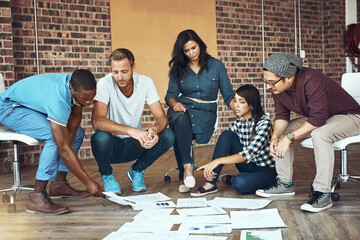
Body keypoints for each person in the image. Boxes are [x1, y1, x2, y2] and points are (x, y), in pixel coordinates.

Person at [255, 52, 360, 213]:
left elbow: (317, 120)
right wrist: (276, 137)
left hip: (351, 117)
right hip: (323, 117)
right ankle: (285, 184)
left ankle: (323, 193)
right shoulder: (278, 89)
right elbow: (282, 117)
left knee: (320, 135)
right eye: (266, 81)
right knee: (281, 133)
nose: (268, 86)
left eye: (271, 82)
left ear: (289, 77)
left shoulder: (312, 80)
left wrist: (289, 138)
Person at [0, 69, 104, 215]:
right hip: (8, 107)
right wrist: (88, 182)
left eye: (91, 98)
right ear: (71, 89)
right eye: (84, 98)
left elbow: (74, 119)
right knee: (53, 136)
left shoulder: (77, 87)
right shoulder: (58, 98)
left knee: (78, 133)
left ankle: (59, 185)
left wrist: (67, 143)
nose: (88, 103)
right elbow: (62, 147)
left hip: (27, 107)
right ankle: (36, 196)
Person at [91, 48, 175, 194]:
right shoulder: (104, 84)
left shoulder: (145, 82)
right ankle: (107, 175)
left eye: (124, 71)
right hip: (113, 146)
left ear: (133, 67)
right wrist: (131, 130)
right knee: (100, 138)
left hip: (135, 144)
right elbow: (97, 121)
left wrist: (153, 130)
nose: (120, 77)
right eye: (115, 72)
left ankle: (137, 171)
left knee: (168, 135)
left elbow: (161, 117)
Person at [165, 29, 235, 193]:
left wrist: (239, 109)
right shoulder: (178, 69)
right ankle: (187, 170)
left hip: (205, 113)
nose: (191, 53)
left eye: (193, 48)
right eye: (186, 50)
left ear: (200, 45)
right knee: (180, 119)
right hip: (183, 108)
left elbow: (228, 94)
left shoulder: (216, 65)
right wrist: (174, 103)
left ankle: (184, 175)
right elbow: (170, 95)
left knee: (180, 126)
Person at [191, 85, 276, 197]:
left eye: (241, 102)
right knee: (227, 135)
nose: (236, 105)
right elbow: (226, 146)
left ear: (251, 105)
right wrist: (214, 166)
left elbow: (249, 153)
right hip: (247, 166)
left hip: (265, 171)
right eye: (235, 101)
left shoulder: (264, 123)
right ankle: (210, 184)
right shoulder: (237, 124)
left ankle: (234, 179)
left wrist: (217, 161)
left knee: (239, 183)